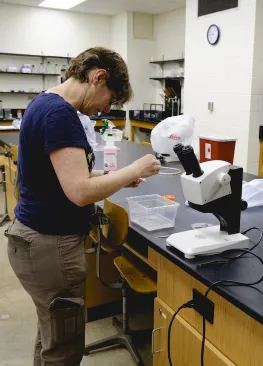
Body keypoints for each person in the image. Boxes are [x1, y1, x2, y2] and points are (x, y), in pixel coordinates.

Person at [5, 47, 160, 366]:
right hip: (50, 247)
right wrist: (134, 170)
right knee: (63, 350)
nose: (107, 107)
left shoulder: (43, 102)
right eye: (111, 97)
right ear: (98, 77)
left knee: (51, 340)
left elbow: (63, 174)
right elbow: (78, 192)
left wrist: (113, 176)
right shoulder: (61, 114)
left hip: (32, 240)